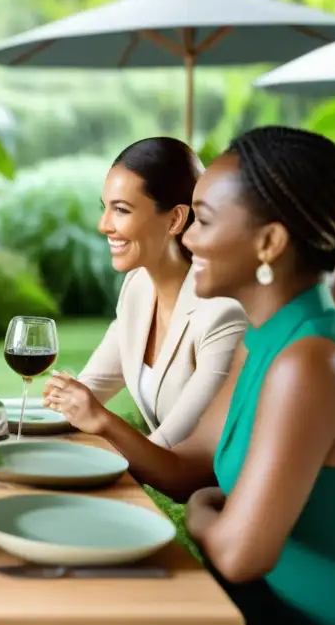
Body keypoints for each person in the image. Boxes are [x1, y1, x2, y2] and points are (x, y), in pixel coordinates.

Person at [45, 126, 335, 625]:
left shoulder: (311, 362)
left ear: (269, 242)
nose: (185, 238)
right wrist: (103, 424)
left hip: (309, 620)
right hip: (251, 602)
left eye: (202, 221)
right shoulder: (268, 339)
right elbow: (188, 467)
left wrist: (203, 513)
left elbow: (237, 554)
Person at [43, 137, 248, 448]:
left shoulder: (221, 312)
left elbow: (172, 451)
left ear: (176, 219)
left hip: (219, 490)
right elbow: (88, 391)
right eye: (105, 208)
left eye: (121, 210)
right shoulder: (138, 286)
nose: (103, 225)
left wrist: (101, 419)